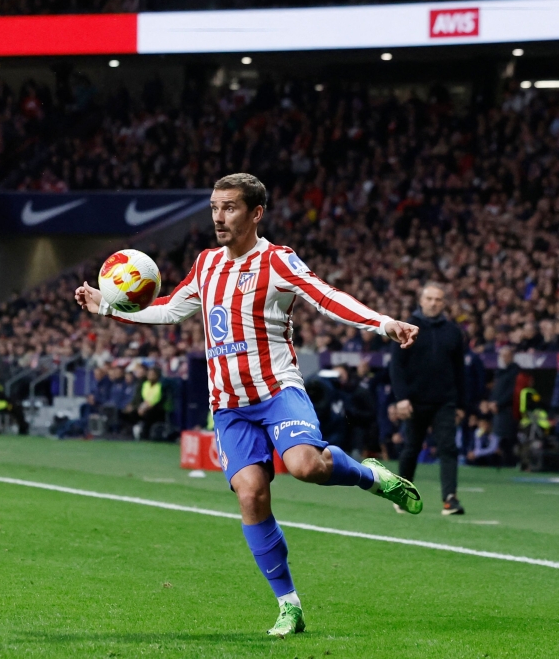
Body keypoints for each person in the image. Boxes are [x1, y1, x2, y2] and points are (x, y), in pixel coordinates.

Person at [74, 173, 421, 637]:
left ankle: (370, 476)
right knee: (251, 495)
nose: (219, 217)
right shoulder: (206, 264)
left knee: (305, 466)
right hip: (229, 405)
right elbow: (170, 308)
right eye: (214, 208)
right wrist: (107, 307)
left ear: (256, 213)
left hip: (277, 391)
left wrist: (383, 323)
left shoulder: (277, 261)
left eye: (230, 207)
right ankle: (289, 606)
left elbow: (326, 297)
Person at [389, 282, 467, 516]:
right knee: (411, 448)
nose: (433, 303)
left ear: (444, 303)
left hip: (445, 400)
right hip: (414, 401)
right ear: (421, 301)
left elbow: (460, 370)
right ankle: (402, 494)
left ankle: (450, 499)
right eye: (429, 299)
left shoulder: (453, 332)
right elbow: (396, 366)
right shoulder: (406, 328)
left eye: (438, 299)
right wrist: (402, 398)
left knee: (448, 448)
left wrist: (462, 405)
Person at [488, 346, 520, 464]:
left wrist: (498, 403)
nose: (503, 358)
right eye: (502, 355)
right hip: (497, 409)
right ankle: (503, 463)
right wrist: (491, 402)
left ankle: (511, 463)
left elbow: (512, 391)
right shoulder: (499, 371)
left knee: (508, 438)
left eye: (506, 356)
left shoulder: (515, 371)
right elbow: (495, 389)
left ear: (511, 357)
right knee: (499, 439)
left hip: (508, 410)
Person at [131, 366, 166, 441]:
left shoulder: (160, 385)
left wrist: (147, 406)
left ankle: (146, 435)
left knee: (149, 414)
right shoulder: (145, 384)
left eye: (152, 374)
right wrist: (141, 407)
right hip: (145, 405)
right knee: (133, 412)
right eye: (149, 374)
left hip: (156, 407)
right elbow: (143, 397)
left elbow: (157, 398)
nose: (150, 376)